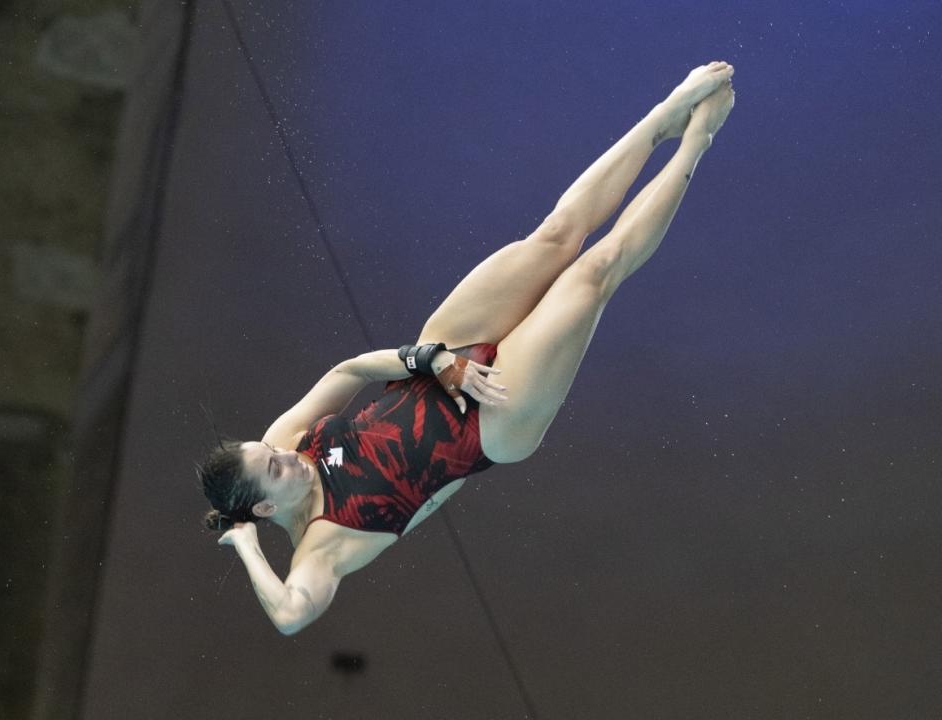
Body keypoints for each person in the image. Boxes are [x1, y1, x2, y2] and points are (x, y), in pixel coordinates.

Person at [198, 62, 735, 635]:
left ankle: (665, 117)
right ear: (262, 509)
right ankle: (698, 140)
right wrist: (248, 549)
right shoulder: (323, 547)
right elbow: (289, 617)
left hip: (439, 359)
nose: (285, 454)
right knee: (594, 273)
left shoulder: (285, 440)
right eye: (275, 469)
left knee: (555, 236)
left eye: (268, 449)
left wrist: (429, 360)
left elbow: (349, 368)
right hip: (492, 420)